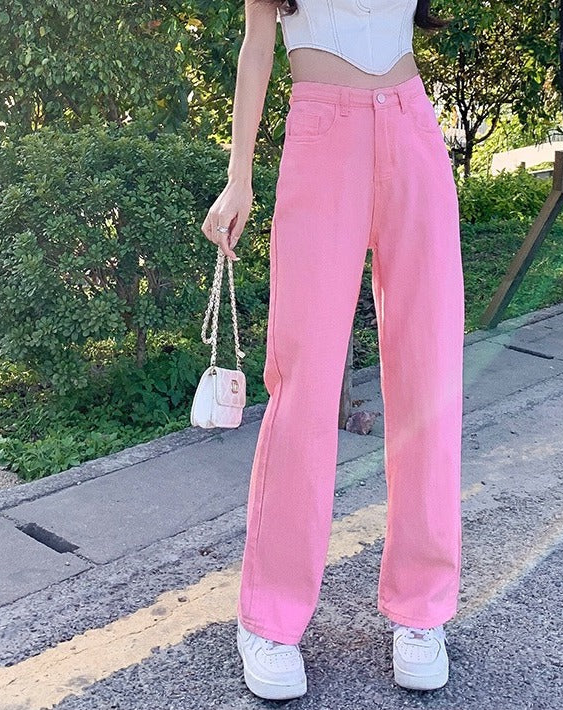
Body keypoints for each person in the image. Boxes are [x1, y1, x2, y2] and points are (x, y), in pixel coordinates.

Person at [201, 0, 465, 700]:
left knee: (431, 375)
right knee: (304, 383)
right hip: (322, 134)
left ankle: (423, 609)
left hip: (412, 126)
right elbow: (257, 45)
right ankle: (270, 619)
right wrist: (238, 175)